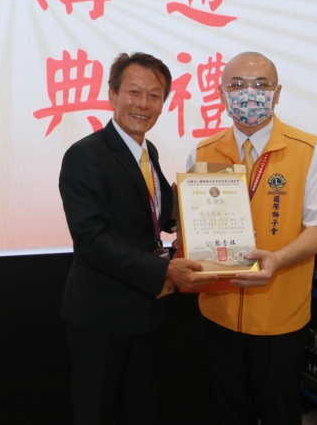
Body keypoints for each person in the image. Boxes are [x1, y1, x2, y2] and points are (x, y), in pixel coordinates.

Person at [182, 51, 317, 425]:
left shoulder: (309, 150)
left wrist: (278, 260)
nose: (249, 93)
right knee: (227, 414)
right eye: (237, 85)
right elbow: (194, 223)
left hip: (280, 317)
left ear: (277, 92)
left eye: (260, 84)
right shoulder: (203, 152)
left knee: (279, 413)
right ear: (222, 94)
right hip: (219, 314)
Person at [59, 52, 215, 425]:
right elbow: (91, 242)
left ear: (163, 102)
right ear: (112, 95)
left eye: (154, 95)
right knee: (95, 413)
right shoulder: (85, 155)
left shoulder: (148, 151)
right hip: (102, 315)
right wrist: (165, 271)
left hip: (146, 312)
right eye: (133, 92)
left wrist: (195, 207)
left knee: (142, 410)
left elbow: (151, 214)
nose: (143, 104)